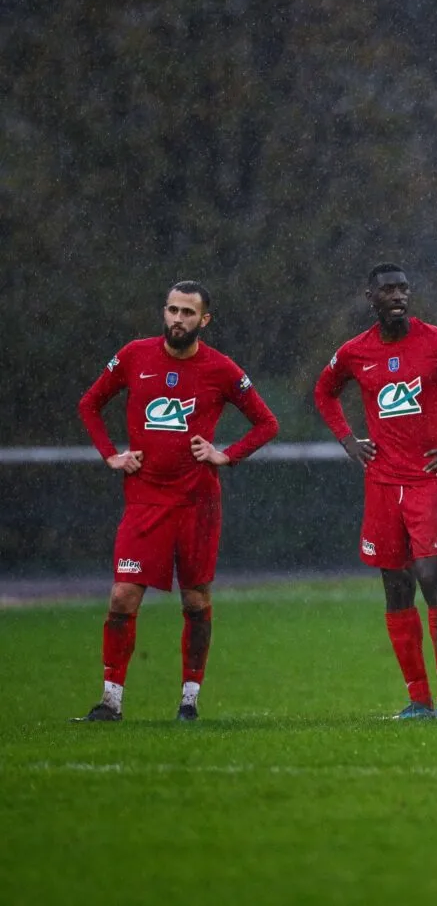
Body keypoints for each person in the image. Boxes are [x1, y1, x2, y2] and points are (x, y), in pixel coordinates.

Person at [74, 281, 279, 722]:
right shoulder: (134, 356)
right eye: (171, 310)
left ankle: (189, 699)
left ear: (203, 320)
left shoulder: (221, 369)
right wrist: (110, 454)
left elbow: (266, 423)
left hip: (197, 504)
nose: (177, 319)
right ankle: (110, 701)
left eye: (188, 313)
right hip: (145, 501)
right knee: (122, 597)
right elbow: (89, 404)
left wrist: (226, 455)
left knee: (195, 600)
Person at [314, 263, 437, 720]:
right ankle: (418, 699)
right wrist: (347, 440)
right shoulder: (354, 352)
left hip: (430, 483)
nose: (397, 296)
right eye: (387, 290)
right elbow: (324, 392)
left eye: (403, 288)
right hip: (382, 484)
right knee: (396, 588)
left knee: (431, 578)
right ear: (371, 298)